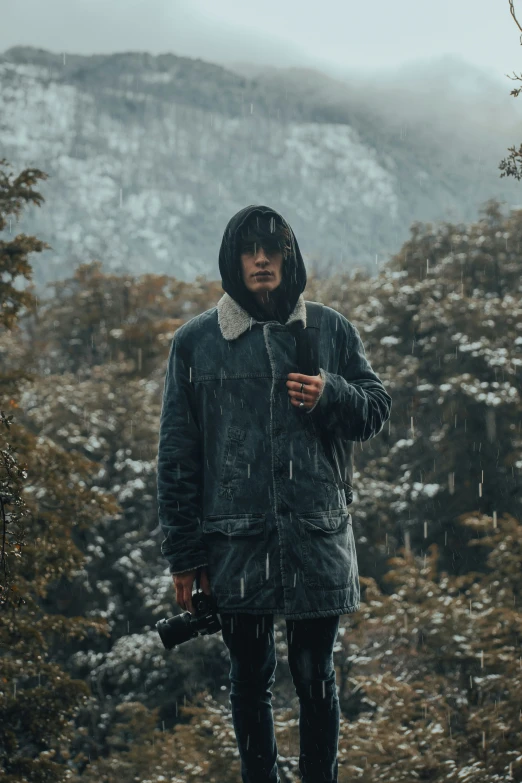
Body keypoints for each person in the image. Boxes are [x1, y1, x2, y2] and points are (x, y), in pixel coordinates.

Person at [157, 204, 392, 783]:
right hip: (235, 543)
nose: (261, 259)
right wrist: (184, 556)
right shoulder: (195, 343)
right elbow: (177, 456)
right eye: (249, 250)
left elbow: (375, 411)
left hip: (317, 535)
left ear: (289, 257)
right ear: (233, 261)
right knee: (249, 677)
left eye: (272, 248)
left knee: (316, 677)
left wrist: (330, 394)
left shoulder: (331, 329)